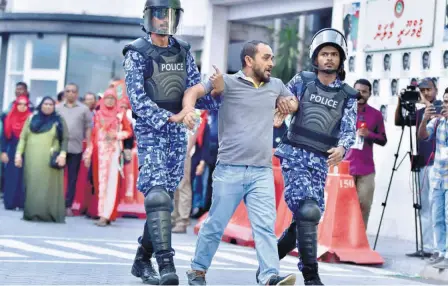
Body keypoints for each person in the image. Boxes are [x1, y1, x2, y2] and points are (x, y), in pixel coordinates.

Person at [181, 40, 297, 285]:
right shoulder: (228, 83)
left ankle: (269, 276)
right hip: (229, 170)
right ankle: (197, 270)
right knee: (215, 225)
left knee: (265, 227)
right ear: (249, 60)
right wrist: (190, 109)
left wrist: (287, 105)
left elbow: (294, 102)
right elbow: (192, 92)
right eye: (266, 58)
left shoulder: (276, 85)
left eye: (272, 57)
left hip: (262, 171)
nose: (272, 63)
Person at [122, 0, 216, 284]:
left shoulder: (183, 50)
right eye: (159, 14)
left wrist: (210, 94)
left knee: (162, 201)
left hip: (178, 134)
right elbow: (137, 99)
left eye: (170, 15)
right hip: (152, 130)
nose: (164, 20)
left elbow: (194, 86)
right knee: (158, 196)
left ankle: (141, 261)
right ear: (149, 18)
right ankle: (166, 266)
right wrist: (172, 118)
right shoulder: (136, 52)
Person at [269, 28, 358, 285]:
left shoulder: (349, 95)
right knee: (307, 210)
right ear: (315, 58)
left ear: (340, 59)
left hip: (321, 161)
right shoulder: (303, 80)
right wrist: (284, 107)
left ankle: (270, 259)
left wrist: (342, 148)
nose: (328, 59)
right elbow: (282, 98)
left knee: (308, 215)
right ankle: (311, 276)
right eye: (324, 54)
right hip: (295, 154)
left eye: (333, 54)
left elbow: (349, 128)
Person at [394, 78, 441, 258]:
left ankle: (440, 248)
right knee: (424, 207)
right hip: (422, 164)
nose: (425, 93)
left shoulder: (440, 107)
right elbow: (400, 122)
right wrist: (400, 101)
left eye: (428, 89)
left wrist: (426, 101)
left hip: (439, 165)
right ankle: (428, 247)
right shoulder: (421, 112)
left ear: (435, 89)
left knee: (439, 206)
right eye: (422, 90)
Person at [84, 88, 133, 226]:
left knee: (111, 184)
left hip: (114, 153)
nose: (110, 100)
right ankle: (101, 213)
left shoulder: (120, 114)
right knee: (100, 183)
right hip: (99, 154)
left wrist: (117, 135)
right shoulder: (98, 114)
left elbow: (129, 132)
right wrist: (88, 153)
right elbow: (94, 135)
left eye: (112, 98)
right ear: (103, 100)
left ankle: (106, 215)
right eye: (107, 98)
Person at [15, 96, 68, 223]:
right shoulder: (31, 118)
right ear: (41, 105)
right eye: (46, 104)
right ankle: (32, 213)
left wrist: (63, 155)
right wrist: (18, 154)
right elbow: (23, 138)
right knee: (33, 185)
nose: (48, 106)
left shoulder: (58, 120)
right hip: (32, 158)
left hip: (50, 158)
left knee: (48, 186)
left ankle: (49, 214)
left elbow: (65, 139)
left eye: (51, 104)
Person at [345, 79, 387, 229]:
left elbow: (383, 140)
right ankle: (341, 241)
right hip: (345, 168)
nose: (360, 94)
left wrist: (369, 134)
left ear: (370, 94)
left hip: (366, 169)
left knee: (364, 205)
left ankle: (359, 242)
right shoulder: (343, 112)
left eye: (364, 91)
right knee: (343, 206)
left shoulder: (375, 115)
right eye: (358, 91)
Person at [417, 89, 448, 268]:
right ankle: (441, 250)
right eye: (444, 101)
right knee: (437, 217)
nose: (445, 105)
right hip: (438, 177)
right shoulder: (437, 122)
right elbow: (423, 136)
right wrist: (424, 120)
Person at [1, 95, 31, 210]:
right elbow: (4, 137)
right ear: (15, 105)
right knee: (11, 176)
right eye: (20, 104)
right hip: (12, 149)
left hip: (27, 149)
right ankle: (10, 202)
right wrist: (3, 152)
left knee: (24, 176)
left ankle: (22, 203)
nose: (22, 107)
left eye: (25, 104)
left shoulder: (30, 118)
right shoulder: (9, 117)